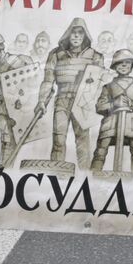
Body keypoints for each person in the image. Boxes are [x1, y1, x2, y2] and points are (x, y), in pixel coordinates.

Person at [35, 17, 103, 166]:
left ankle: (84, 175)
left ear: (85, 35)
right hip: (62, 100)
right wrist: (41, 100)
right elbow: (48, 80)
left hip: (82, 102)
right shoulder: (56, 54)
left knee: (82, 140)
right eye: (74, 33)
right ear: (68, 34)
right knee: (58, 140)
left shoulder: (95, 56)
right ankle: (56, 174)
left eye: (80, 33)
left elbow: (98, 83)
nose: (77, 36)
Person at [90, 51, 133, 173]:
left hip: (131, 124)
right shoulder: (108, 87)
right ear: (115, 66)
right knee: (101, 151)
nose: (124, 66)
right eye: (120, 63)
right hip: (110, 124)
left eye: (127, 63)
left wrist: (131, 104)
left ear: (131, 66)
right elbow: (99, 107)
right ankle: (92, 177)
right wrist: (114, 104)